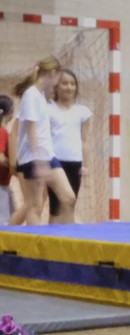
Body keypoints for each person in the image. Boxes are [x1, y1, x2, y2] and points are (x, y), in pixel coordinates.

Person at [14, 56, 76, 225]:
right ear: (52, 73)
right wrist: (40, 162)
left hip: (47, 154)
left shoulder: (40, 95)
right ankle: (32, 240)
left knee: (69, 198)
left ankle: (68, 236)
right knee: (35, 205)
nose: (58, 83)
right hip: (34, 157)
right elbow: (31, 130)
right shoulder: (31, 95)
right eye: (59, 78)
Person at [47, 69, 92, 223]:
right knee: (55, 206)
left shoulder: (82, 112)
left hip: (74, 161)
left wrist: (86, 165)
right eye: (65, 83)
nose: (69, 87)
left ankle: (68, 234)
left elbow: (84, 140)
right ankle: (51, 235)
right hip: (54, 161)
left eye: (72, 84)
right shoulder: (49, 109)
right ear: (56, 86)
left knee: (70, 204)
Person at [0, 95, 15, 225]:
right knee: (4, 222)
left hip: (4, 184)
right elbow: (0, 158)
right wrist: (14, 166)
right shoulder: (2, 132)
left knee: (13, 216)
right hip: (1, 184)